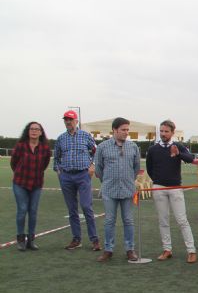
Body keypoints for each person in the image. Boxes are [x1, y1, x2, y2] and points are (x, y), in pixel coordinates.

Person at [146, 120, 197, 263]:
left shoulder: (178, 146)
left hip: (175, 188)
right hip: (159, 188)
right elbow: (150, 168)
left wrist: (178, 153)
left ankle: (191, 251)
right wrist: (157, 180)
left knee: (182, 220)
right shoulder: (153, 149)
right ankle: (167, 249)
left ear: (172, 133)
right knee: (163, 220)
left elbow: (191, 159)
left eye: (166, 131)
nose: (163, 134)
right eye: (161, 131)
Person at [53, 110, 101, 251]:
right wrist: (59, 171)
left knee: (86, 207)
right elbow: (56, 158)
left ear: (76, 121)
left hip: (82, 176)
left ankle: (94, 240)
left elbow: (95, 152)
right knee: (72, 209)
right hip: (66, 176)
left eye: (70, 119)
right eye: (66, 120)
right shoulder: (61, 138)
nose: (68, 122)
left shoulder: (86, 136)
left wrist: (92, 166)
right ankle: (76, 239)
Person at [94, 118, 140, 262]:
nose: (126, 132)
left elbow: (136, 168)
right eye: (123, 130)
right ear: (114, 130)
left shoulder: (133, 147)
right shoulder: (102, 147)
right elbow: (98, 168)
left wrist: (128, 181)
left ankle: (130, 249)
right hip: (109, 189)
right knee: (109, 221)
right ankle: (108, 249)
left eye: (127, 130)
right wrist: (106, 181)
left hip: (127, 189)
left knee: (128, 220)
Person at [11, 122, 51, 251]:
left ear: (41, 132)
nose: (34, 131)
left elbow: (44, 165)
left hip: (36, 184)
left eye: (37, 129)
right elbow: (14, 163)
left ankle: (31, 240)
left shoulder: (45, 148)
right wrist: (20, 174)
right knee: (22, 210)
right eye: (31, 129)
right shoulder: (20, 146)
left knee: (33, 212)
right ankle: (21, 240)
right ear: (28, 131)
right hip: (20, 183)